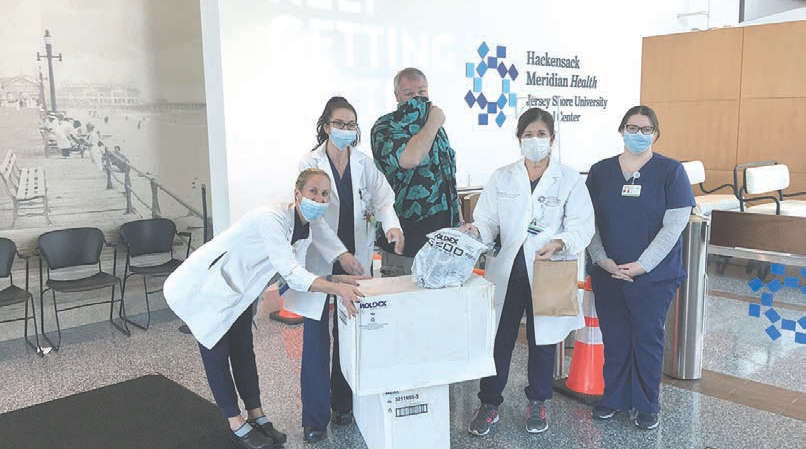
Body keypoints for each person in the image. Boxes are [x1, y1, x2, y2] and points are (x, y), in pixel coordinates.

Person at [163, 168, 369, 449]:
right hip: (204, 288)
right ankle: (236, 423)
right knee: (216, 353)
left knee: (244, 350)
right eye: (313, 192)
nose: (319, 199)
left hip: (239, 292)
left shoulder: (303, 229)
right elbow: (293, 274)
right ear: (297, 193)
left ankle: (256, 415)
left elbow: (295, 275)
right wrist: (336, 289)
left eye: (324, 194)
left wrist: (336, 279)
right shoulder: (271, 218)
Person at [460, 107, 594, 436]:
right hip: (508, 270)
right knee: (499, 338)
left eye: (541, 134)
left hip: (550, 269)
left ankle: (538, 401)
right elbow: (487, 221)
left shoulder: (569, 179)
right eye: (528, 135)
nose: (535, 140)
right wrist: (476, 231)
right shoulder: (502, 176)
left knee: (543, 339)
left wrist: (561, 242)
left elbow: (582, 225)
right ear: (519, 139)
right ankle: (489, 402)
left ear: (552, 138)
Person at [292, 97, 403, 443]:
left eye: (351, 125)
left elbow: (383, 198)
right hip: (321, 260)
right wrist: (340, 255)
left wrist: (392, 225)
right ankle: (314, 418)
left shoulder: (363, 163)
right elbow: (313, 217)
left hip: (357, 259)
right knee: (315, 339)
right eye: (339, 124)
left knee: (350, 335)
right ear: (326, 126)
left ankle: (344, 404)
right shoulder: (310, 163)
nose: (345, 130)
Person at [585, 105, 694, 430]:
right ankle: (614, 398)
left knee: (647, 339)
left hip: (654, 276)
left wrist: (643, 265)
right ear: (622, 131)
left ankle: (647, 404)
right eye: (632, 128)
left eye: (646, 129)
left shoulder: (671, 172)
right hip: (609, 272)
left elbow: (674, 226)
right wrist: (601, 259)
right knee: (615, 338)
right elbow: (587, 221)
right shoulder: (600, 172)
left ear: (656, 134)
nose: (638, 134)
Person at [371, 67, 459, 275]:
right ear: (397, 96)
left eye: (422, 92)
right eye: (409, 94)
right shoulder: (386, 126)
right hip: (404, 240)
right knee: (402, 293)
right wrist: (434, 121)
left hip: (442, 240)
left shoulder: (436, 128)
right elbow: (411, 158)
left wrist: (459, 222)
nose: (417, 99)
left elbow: (448, 175)